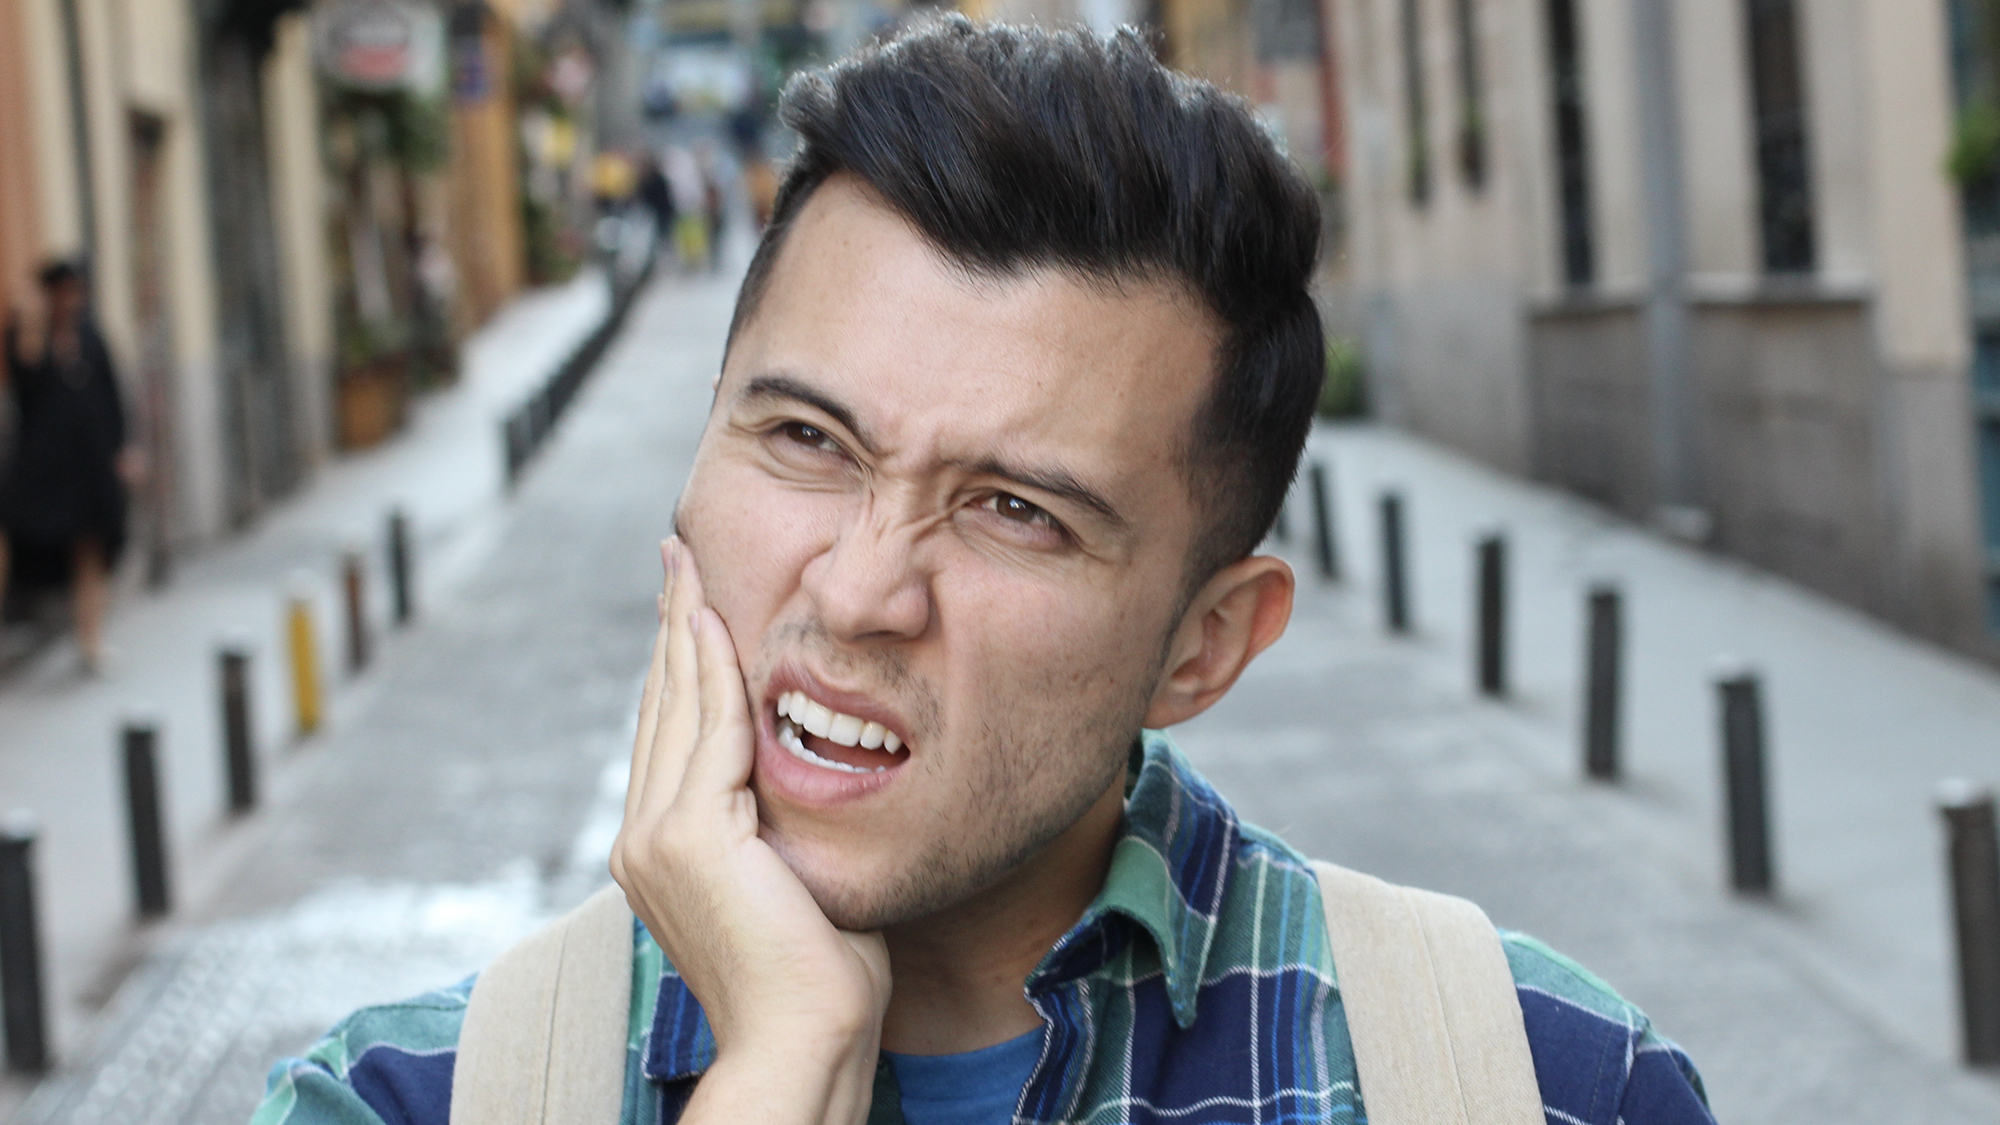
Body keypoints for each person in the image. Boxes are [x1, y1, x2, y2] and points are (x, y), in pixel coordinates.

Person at [252, 21, 1716, 1125]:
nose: (859, 590)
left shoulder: (1540, 1086)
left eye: (1017, 510)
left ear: (1204, 647)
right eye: (807, 437)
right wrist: (776, 1070)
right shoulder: (400, 1099)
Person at [0, 260, 135, 674]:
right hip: (41, 470)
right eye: (61, 291)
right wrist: (32, 321)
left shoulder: (92, 339)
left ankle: (89, 642)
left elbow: (112, 396)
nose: (70, 300)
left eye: (75, 291)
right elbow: (23, 379)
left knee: (92, 551)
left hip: (89, 465)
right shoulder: (27, 337)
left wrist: (124, 449)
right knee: (14, 538)